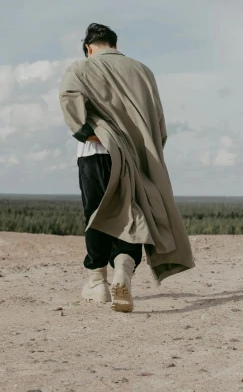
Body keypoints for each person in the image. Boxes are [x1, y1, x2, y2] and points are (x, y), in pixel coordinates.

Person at [59, 23, 194, 313]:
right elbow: (159, 124)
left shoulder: (80, 68)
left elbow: (73, 113)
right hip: (136, 156)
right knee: (133, 213)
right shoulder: (143, 71)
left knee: (97, 213)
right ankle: (124, 267)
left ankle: (97, 282)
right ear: (114, 44)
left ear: (88, 47)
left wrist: (99, 135)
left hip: (96, 154)